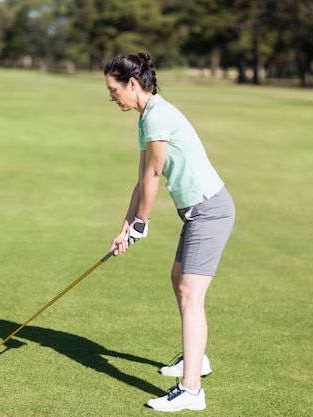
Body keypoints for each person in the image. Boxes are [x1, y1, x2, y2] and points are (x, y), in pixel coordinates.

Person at [104, 52, 235, 412]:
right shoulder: (148, 116)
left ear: (132, 84)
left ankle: (192, 390)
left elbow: (154, 176)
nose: (112, 97)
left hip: (209, 211)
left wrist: (142, 222)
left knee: (191, 295)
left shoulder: (157, 116)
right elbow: (140, 179)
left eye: (114, 90)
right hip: (198, 213)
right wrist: (126, 226)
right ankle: (197, 360)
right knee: (179, 280)